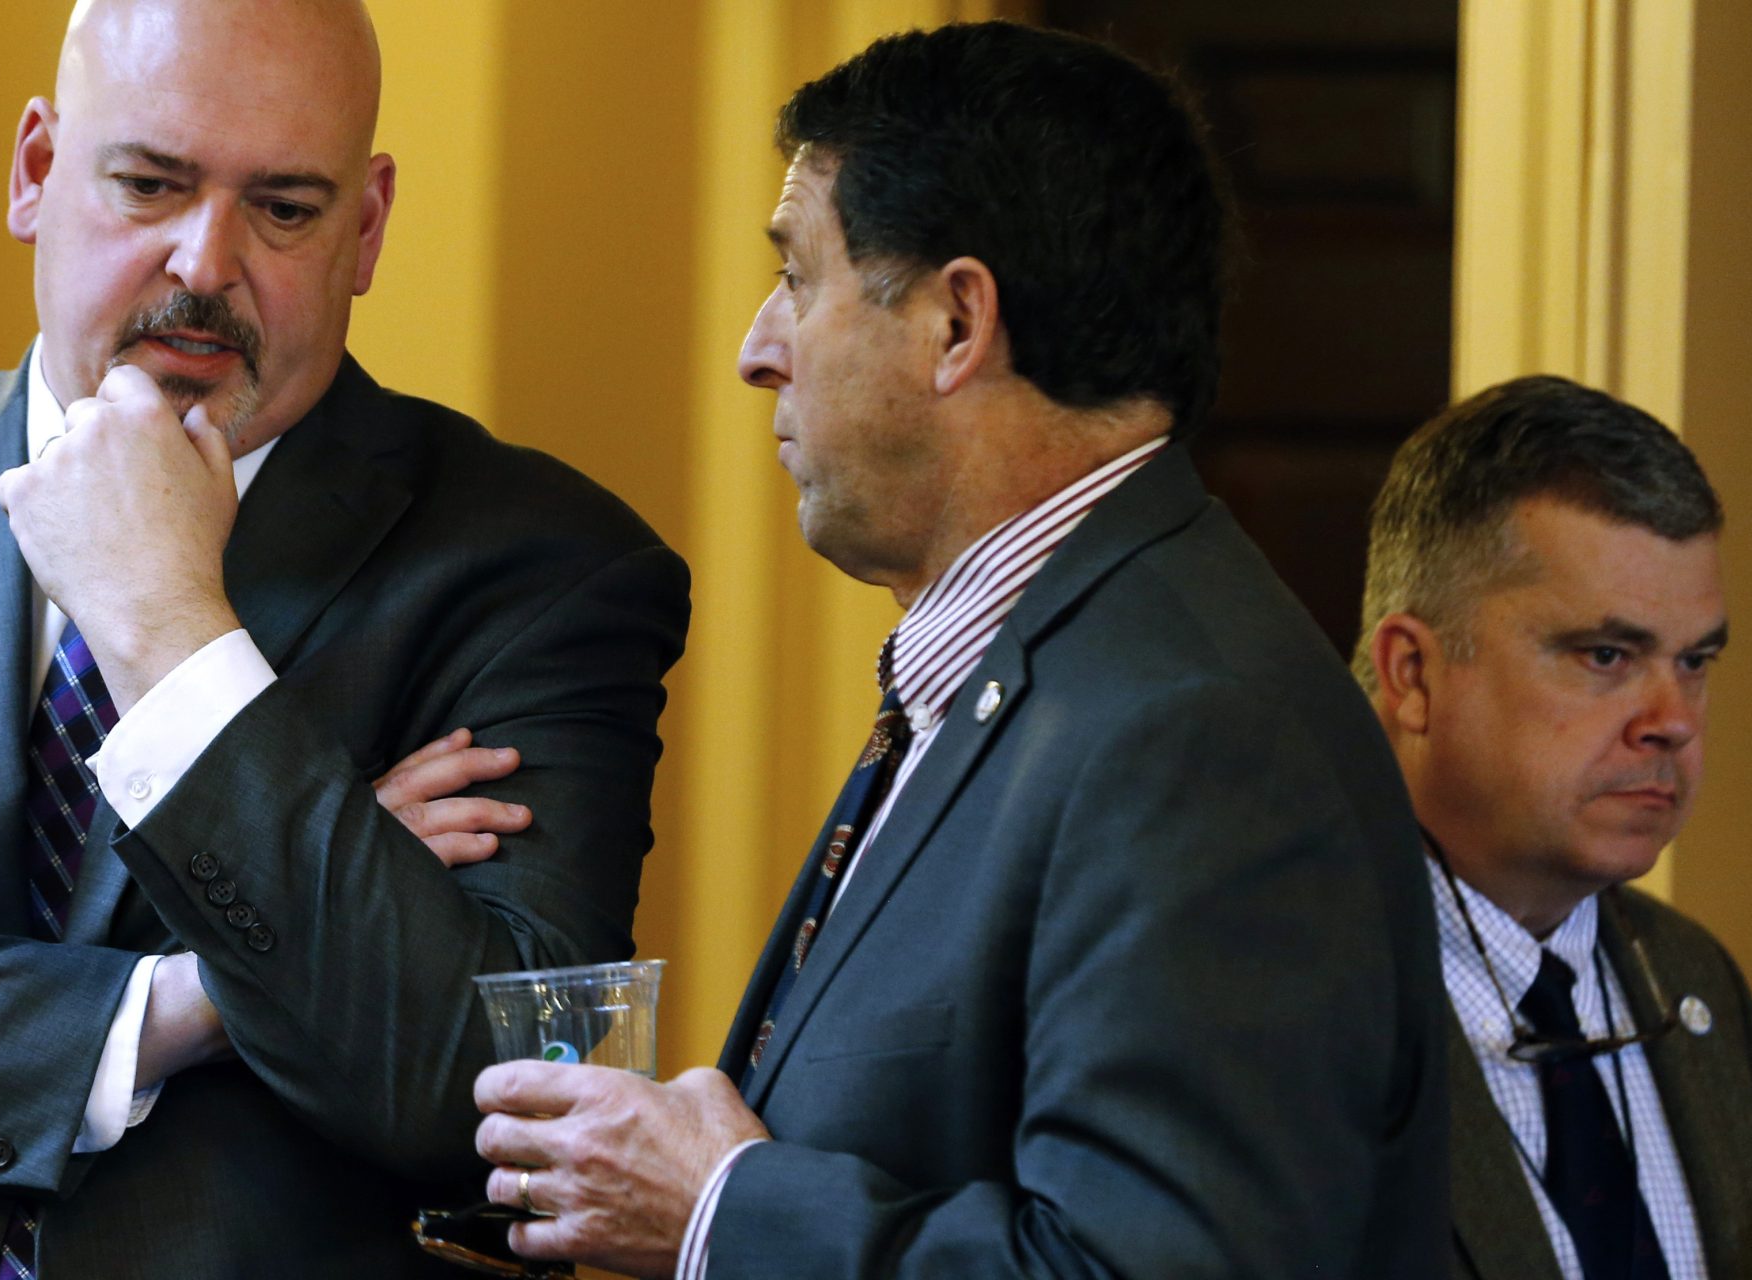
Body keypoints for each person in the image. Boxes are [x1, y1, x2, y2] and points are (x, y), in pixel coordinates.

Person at [471, 22, 1446, 1278]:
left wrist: (720, 1207)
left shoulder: (1194, 729)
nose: (757, 347)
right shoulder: (1055, 660)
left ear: (955, 322)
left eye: (800, 275)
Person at [0, 0, 687, 1275]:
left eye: (286, 208)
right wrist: (190, 997)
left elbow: (494, 1099)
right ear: (35, 169)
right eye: (148, 184)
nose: (204, 262)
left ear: (367, 227)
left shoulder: (548, 571)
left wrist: (172, 633)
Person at [1357, 375, 1752, 1279]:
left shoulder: (1696, 984)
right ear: (1414, 675)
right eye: (1606, 655)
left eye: (1695, 660)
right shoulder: (1277, 991)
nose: (1673, 718)